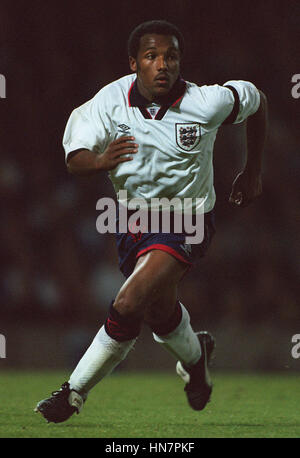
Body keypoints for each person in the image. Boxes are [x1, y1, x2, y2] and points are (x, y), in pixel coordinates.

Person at [35, 20, 268, 423]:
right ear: (134, 63)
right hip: (132, 221)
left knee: (128, 302)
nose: (163, 64)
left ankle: (72, 392)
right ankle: (196, 359)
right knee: (160, 312)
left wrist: (253, 171)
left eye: (171, 56)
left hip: (188, 219)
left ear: (180, 62)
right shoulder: (109, 101)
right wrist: (101, 160)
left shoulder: (207, 103)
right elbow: (75, 158)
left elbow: (258, 100)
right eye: (151, 56)